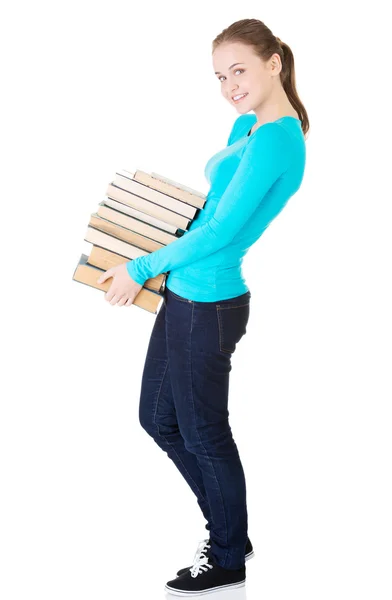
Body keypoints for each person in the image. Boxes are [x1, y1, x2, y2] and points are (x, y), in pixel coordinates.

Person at [97, 17, 308, 597]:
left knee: (205, 433)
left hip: (209, 303)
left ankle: (228, 556)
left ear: (274, 63)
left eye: (239, 70)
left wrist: (140, 266)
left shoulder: (277, 139)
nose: (230, 85)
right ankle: (231, 530)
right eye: (220, 76)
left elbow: (219, 229)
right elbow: (208, 206)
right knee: (158, 419)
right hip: (183, 293)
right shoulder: (247, 124)